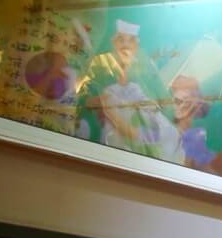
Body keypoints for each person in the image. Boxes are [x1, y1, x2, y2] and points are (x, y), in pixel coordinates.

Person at [76, 18, 181, 162]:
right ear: (113, 43)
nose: (125, 46)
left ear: (137, 46)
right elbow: (84, 99)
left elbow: (166, 108)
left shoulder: (147, 74)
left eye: (131, 41)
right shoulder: (98, 68)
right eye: (120, 40)